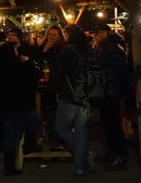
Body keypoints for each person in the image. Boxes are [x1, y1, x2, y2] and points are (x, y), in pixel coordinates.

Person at [50, 25, 95, 175]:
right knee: (82, 131)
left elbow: (56, 74)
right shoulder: (88, 50)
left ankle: (83, 158)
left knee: (61, 128)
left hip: (70, 95)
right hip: (87, 96)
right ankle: (80, 166)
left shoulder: (67, 51)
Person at [0, 39, 43, 175]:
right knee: (14, 134)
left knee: (29, 122)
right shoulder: (17, 66)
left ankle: (22, 151)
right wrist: (28, 62)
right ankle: (10, 166)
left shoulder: (2, 67)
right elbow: (35, 75)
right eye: (16, 49)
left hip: (11, 104)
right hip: (18, 104)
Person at [91, 24, 131, 168]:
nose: (95, 36)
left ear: (105, 33)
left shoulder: (111, 49)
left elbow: (121, 70)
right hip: (108, 91)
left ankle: (118, 155)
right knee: (110, 124)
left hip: (110, 91)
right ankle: (114, 153)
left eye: (98, 33)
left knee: (113, 124)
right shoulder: (109, 47)